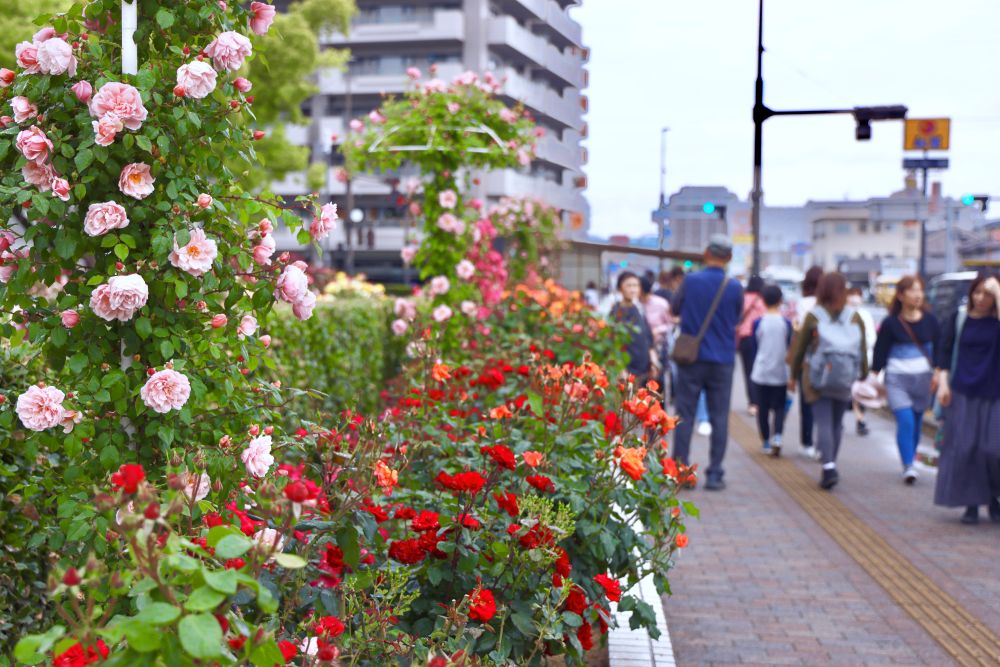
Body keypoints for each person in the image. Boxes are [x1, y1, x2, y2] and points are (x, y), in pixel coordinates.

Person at [670, 234, 743, 490]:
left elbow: (675, 309)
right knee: (719, 416)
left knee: (685, 414)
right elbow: (736, 317)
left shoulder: (691, 281)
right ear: (730, 258)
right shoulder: (733, 286)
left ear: (705, 253)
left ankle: (681, 472)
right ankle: (714, 474)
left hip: (692, 358)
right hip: (722, 359)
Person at [789, 272, 869, 490]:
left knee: (823, 421)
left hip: (818, 377)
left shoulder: (814, 316)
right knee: (837, 423)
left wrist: (793, 376)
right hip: (844, 377)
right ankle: (831, 462)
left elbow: (800, 349)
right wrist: (863, 373)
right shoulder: (855, 317)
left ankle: (829, 466)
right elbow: (861, 350)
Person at [933, 274, 1000, 524]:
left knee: (993, 449)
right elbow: (945, 352)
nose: (981, 298)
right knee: (965, 448)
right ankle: (972, 504)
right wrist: (942, 385)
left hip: (994, 393)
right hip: (962, 391)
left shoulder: (997, 321)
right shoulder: (959, 318)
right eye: (977, 292)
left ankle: (994, 496)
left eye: (988, 293)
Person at [872, 275, 940, 484]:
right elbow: (880, 352)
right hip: (897, 381)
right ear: (901, 295)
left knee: (917, 424)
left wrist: (939, 373)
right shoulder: (891, 323)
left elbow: (940, 350)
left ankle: (910, 457)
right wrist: (874, 378)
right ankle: (908, 465)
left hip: (924, 381)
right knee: (906, 420)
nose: (918, 294)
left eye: (920, 290)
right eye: (912, 290)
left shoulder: (931, 321)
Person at [750, 284, 792, 456]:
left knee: (763, 408)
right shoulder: (786, 323)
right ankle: (778, 436)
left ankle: (766, 441)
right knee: (780, 407)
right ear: (780, 301)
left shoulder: (758, 323)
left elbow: (755, 347)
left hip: (761, 372)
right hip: (780, 372)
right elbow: (789, 346)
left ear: (763, 301)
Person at [792, 265, 824, 459]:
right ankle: (823, 443)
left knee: (806, 401)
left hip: (807, 358)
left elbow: (800, 332)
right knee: (823, 402)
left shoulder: (803, 303)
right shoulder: (829, 304)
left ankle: (807, 443)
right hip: (827, 358)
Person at [609, 272, 655, 384]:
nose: (633, 289)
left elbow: (648, 338)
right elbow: (612, 343)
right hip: (626, 371)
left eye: (636, 285)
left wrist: (653, 361)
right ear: (620, 288)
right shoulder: (616, 312)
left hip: (644, 370)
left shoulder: (639, 309)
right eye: (629, 285)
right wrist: (620, 369)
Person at [737, 276, 768, 417]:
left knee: (748, 371)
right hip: (760, 338)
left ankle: (753, 403)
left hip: (745, 338)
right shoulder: (763, 300)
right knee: (761, 370)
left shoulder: (742, 298)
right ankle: (762, 401)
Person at [847, 287, 876, 436]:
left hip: (864, 360)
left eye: (857, 295)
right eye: (852, 295)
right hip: (846, 360)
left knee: (860, 390)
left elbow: (871, 337)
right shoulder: (843, 314)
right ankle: (858, 418)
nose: (854, 298)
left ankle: (860, 418)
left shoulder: (865, 314)